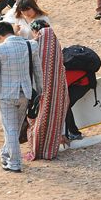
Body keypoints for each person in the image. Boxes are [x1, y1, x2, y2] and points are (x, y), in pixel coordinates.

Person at [0, 21, 41, 173]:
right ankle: (5, 153)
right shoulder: (31, 46)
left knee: (10, 129)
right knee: (14, 128)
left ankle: (15, 163)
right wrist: (41, 92)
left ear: (0, 36)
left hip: (6, 95)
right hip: (26, 93)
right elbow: (38, 71)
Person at [24, 20, 70, 161]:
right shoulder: (55, 43)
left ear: (36, 31)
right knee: (53, 119)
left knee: (39, 119)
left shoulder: (36, 44)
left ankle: (37, 149)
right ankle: (50, 150)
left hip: (42, 92)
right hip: (57, 92)